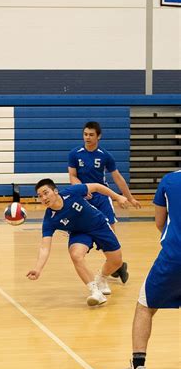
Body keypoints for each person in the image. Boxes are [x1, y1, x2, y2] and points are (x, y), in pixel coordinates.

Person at [111, 170, 181, 369]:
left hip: (174, 256)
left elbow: (160, 221)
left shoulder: (170, 180)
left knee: (145, 306)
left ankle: (137, 368)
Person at [27, 178, 130, 307]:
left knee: (116, 261)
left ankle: (101, 278)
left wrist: (117, 197)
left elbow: (97, 186)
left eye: (46, 193)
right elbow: (45, 247)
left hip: (99, 224)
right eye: (40, 196)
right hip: (79, 233)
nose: (43, 198)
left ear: (55, 191)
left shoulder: (72, 192)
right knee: (76, 255)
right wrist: (38, 269)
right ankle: (95, 292)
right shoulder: (49, 220)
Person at [68, 121, 141, 283]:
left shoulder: (105, 155)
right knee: (87, 233)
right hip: (83, 198)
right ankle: (118, 266)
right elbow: (72, 176)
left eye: (91, 135)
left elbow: (118, 178)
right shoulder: (75, 154)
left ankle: (116, 264)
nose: (87, 137)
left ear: (98, 136)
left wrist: (129, 197)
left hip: (102, 199)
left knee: (111, 236)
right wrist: (82, 189)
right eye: (85, 134)